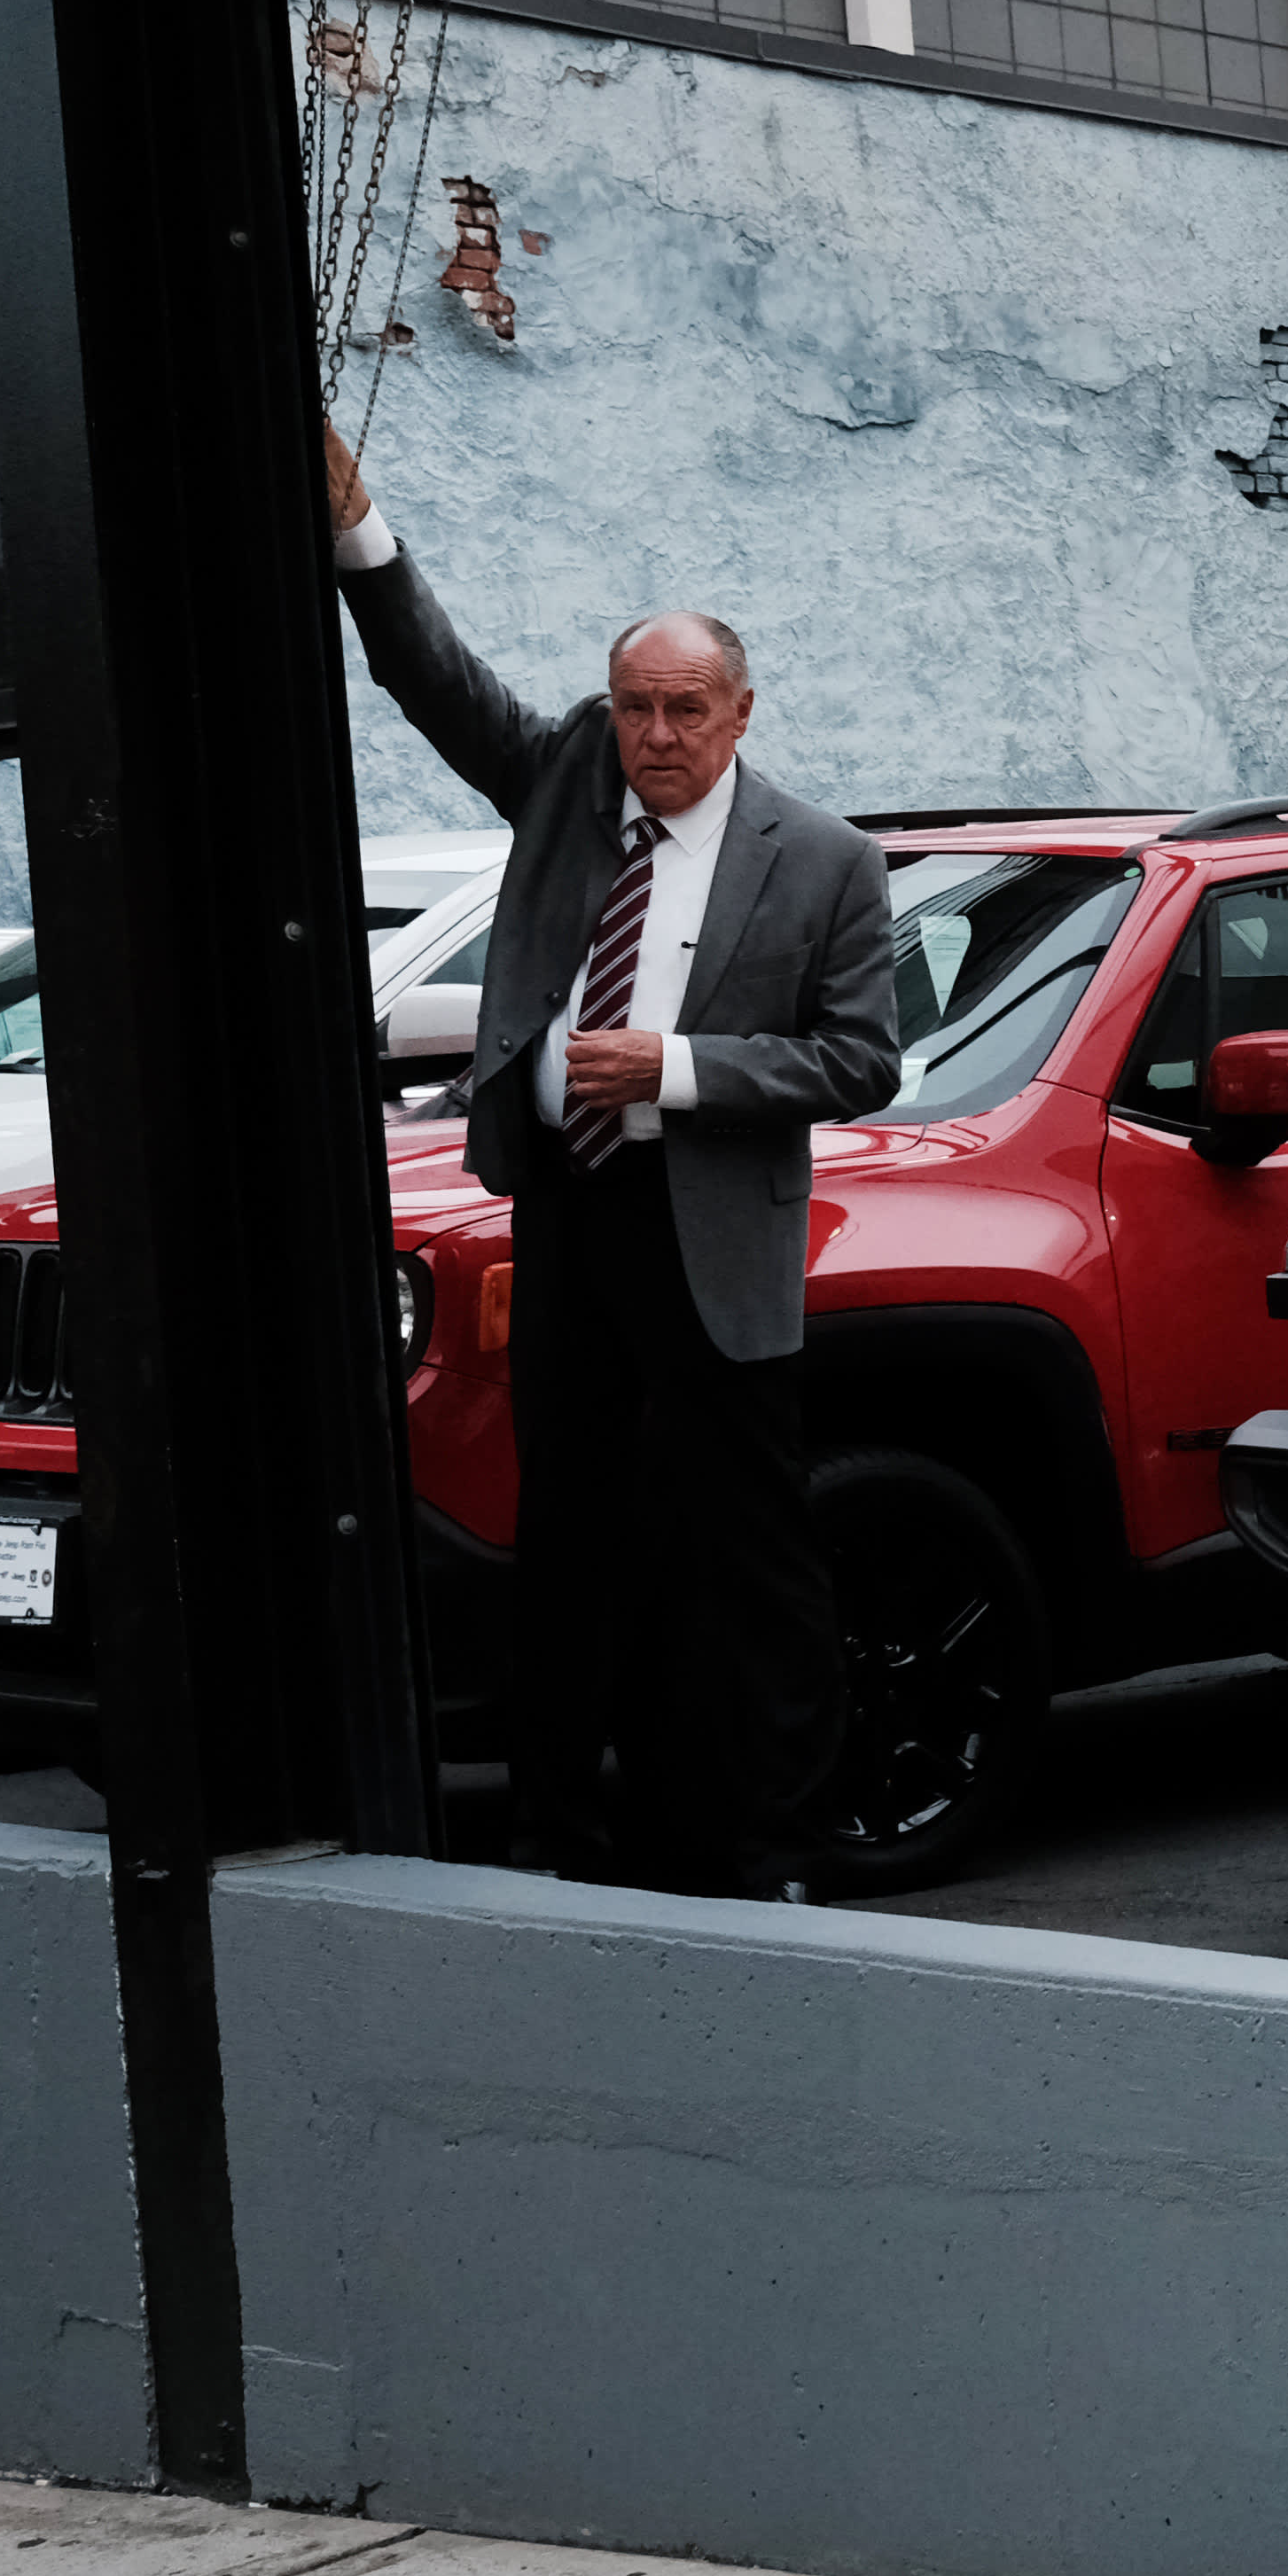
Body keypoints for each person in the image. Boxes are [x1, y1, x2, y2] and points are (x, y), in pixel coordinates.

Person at [321, 422, 899, 1890]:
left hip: (712, 1225)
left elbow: (862, 1060)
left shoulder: (825, 861)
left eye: (685, 710)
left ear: (741, 713)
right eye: (637, 706)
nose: (657, 736)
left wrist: (682, 1070)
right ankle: (556, 1836)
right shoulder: (571, 781)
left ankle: (780, 1836)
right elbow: (435, 686)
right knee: (565, 1538)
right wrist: (360, 537)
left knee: (753, 1552)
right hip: (574, 1208)